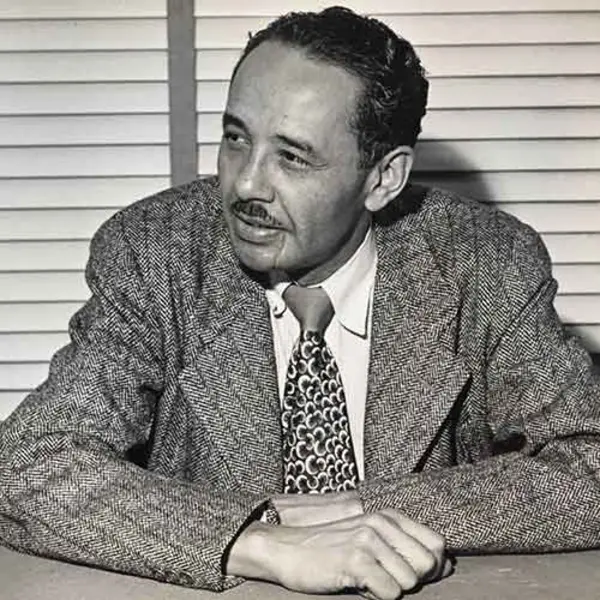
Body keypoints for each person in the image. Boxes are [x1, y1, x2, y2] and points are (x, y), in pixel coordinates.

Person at [1, 6, 599, 599]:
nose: (245, 185)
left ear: (383, 179)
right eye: (237, 138)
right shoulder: (155, 253)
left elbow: (591, 465)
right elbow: (30, 465)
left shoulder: (485, 263)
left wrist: (360, 513)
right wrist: (259, 541)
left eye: (292, 156)